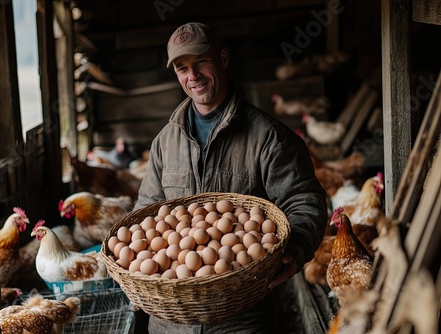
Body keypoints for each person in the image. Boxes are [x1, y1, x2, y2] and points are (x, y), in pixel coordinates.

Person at [133, 22, 328, 334]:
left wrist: (298, 246)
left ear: (223, 59)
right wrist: (136, 272)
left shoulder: (270, 138)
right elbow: (146, 211)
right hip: (173, 321)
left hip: (242, 317)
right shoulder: (165, 142)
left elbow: (305, 202)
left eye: (201, 62)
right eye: (182, 68)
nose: (192, 76)